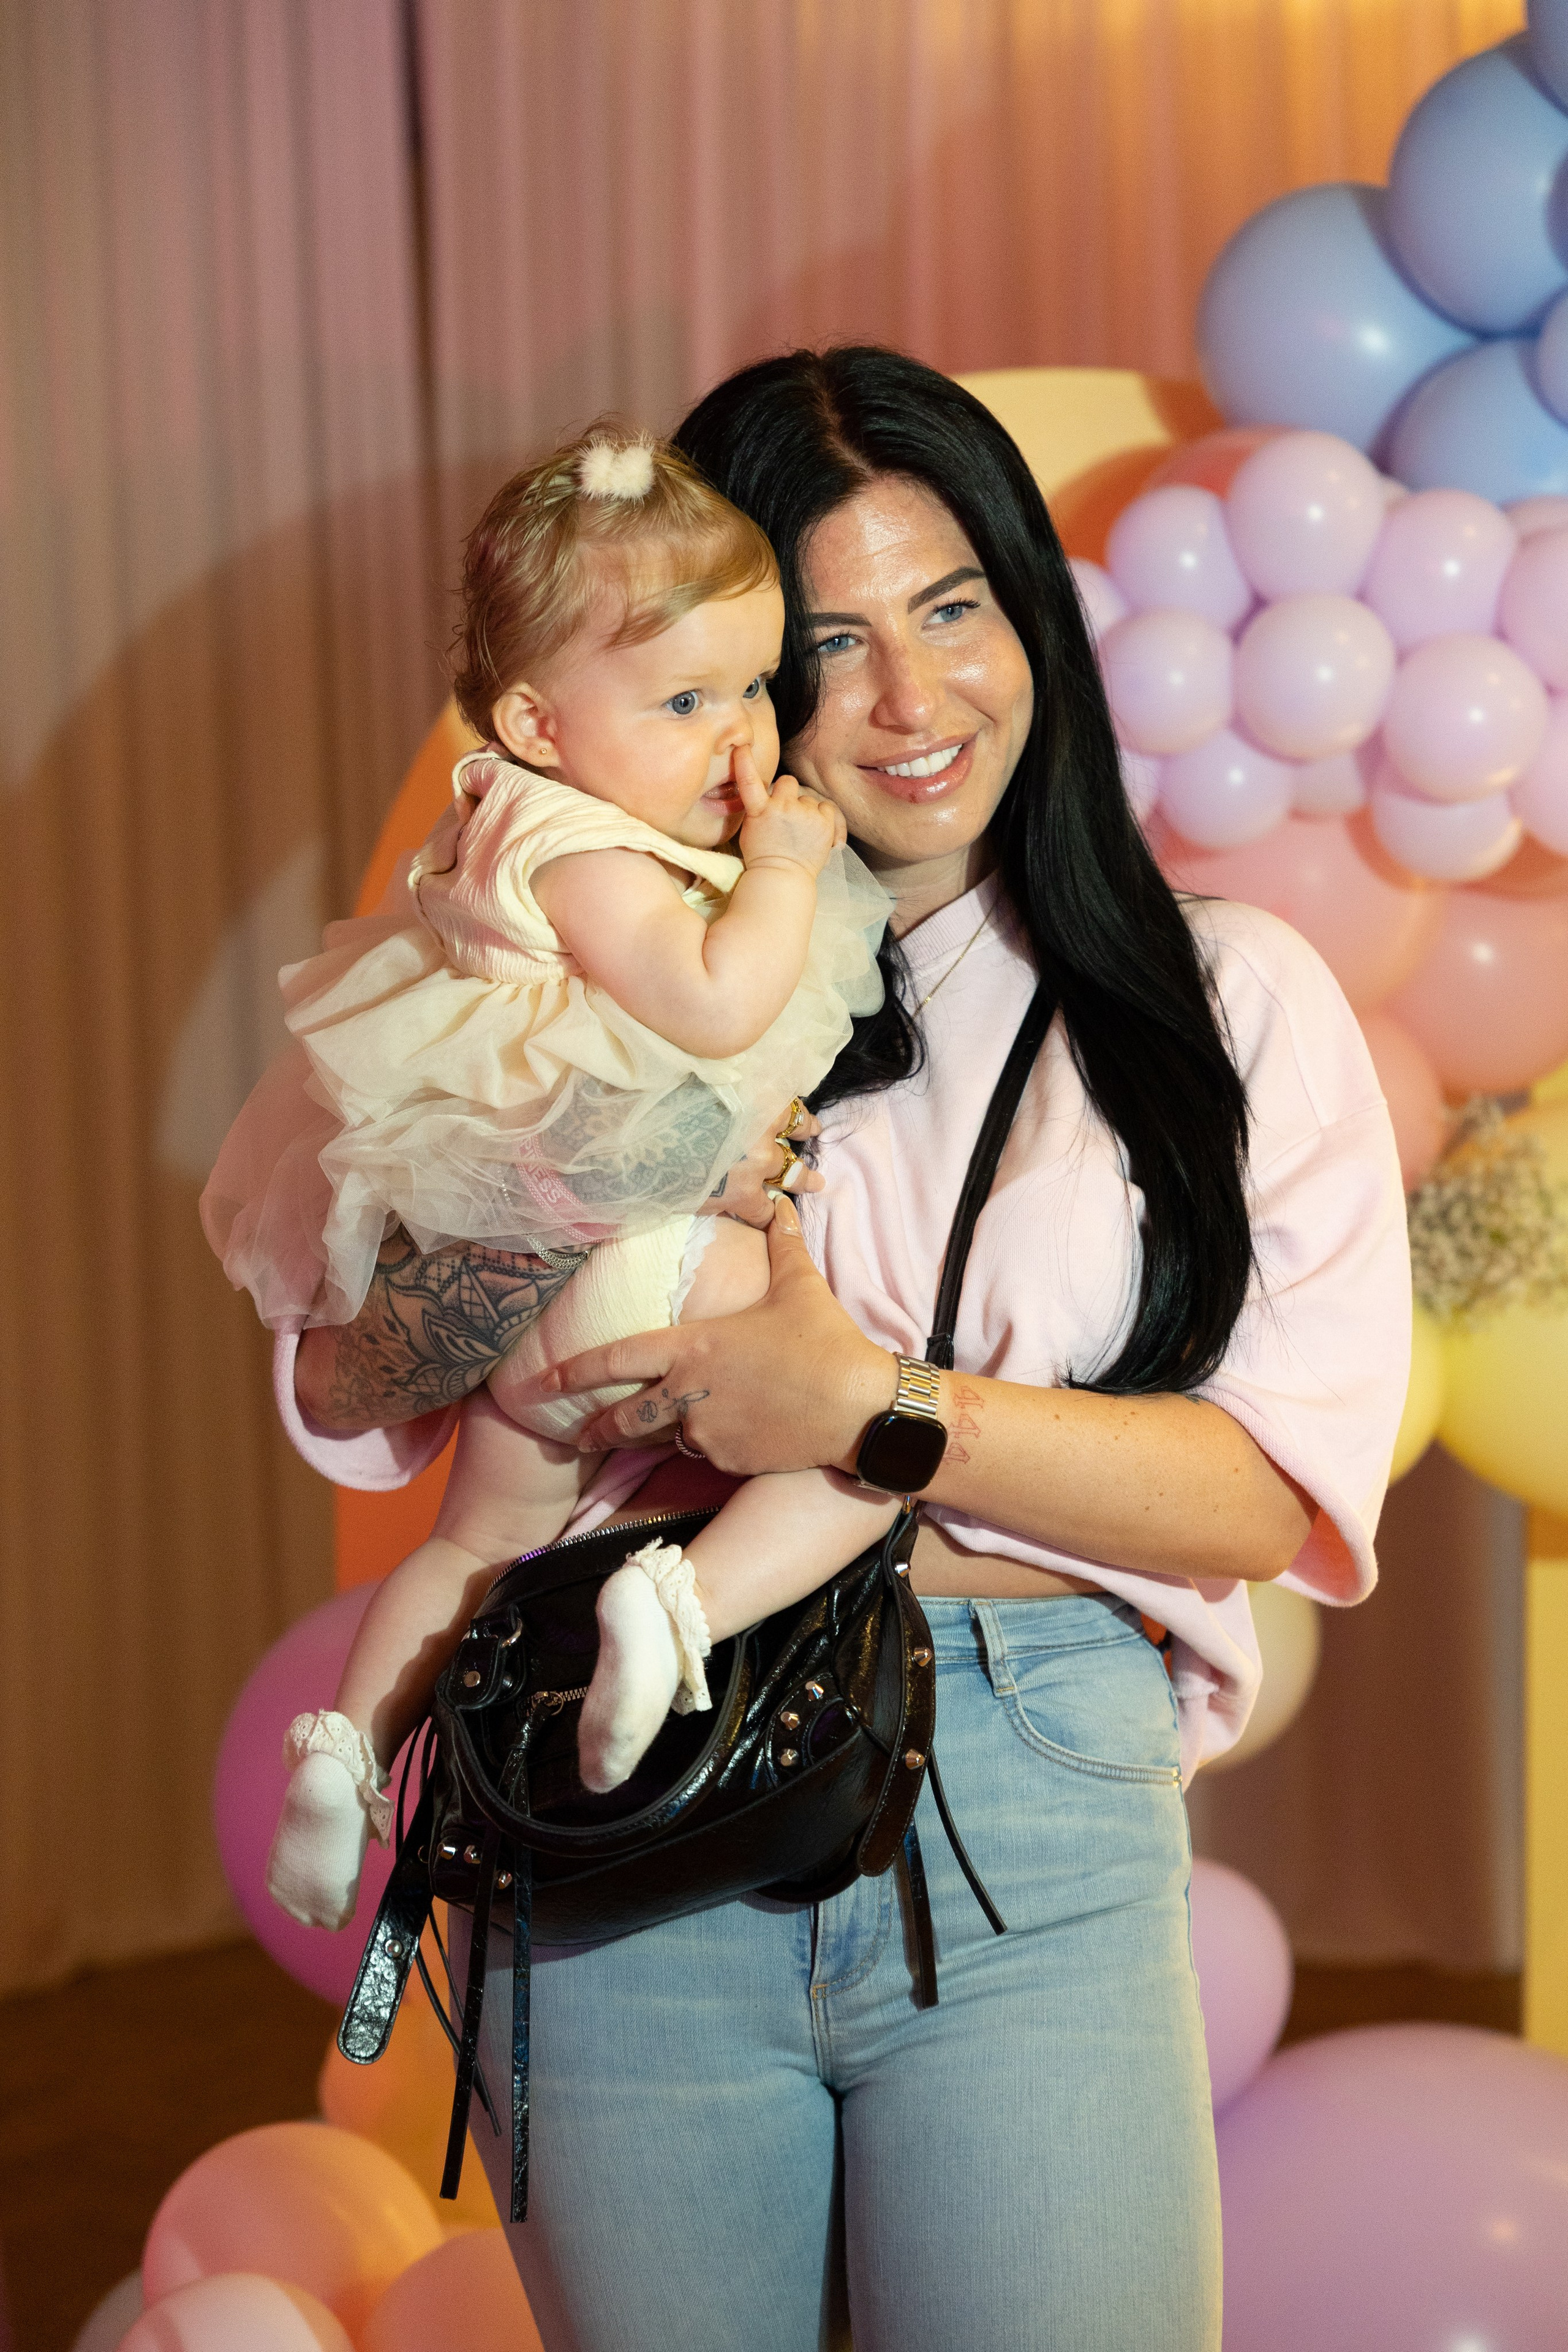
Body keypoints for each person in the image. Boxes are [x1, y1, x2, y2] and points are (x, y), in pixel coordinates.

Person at [277, 349, 1409, 2352]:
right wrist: (574, 1142)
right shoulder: (567, 958)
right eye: (826, 645)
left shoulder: (1222, 999)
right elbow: (358, 1380)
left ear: (1031, 617)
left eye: (957, 607)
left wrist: (868, 1418)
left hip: (1033, 1788)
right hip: (623, 1815)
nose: (912, 699)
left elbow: (1260, 1491)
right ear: (717, 679)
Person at [204, 425, 902, 1931]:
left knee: (469, 1545)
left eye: (750, 691)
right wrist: (783, 866)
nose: (739, 743)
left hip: (527, 1336)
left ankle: (346, 1753)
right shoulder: (591, 854)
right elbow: (716, 1009)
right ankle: (675, 1607)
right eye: (682, 701)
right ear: (532, 719)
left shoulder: (499, 825)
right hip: (632, 1269)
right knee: (866, 1442)